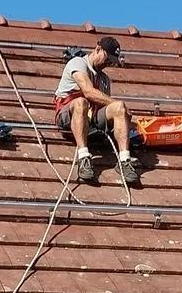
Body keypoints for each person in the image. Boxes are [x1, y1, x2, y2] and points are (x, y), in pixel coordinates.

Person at [55, 36, 137, 185]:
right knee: (81, 102)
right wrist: (115, 103)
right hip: (69, 116)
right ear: (98, 49)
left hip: (92, 122)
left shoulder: (104, 80)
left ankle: (124, 160)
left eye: (112, 61)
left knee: (119, 107)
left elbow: (109, 108)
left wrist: (125, 117)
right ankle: (83, 156)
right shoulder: (78, 63)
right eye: (107, 58)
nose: (108, 63)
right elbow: (88, 91)